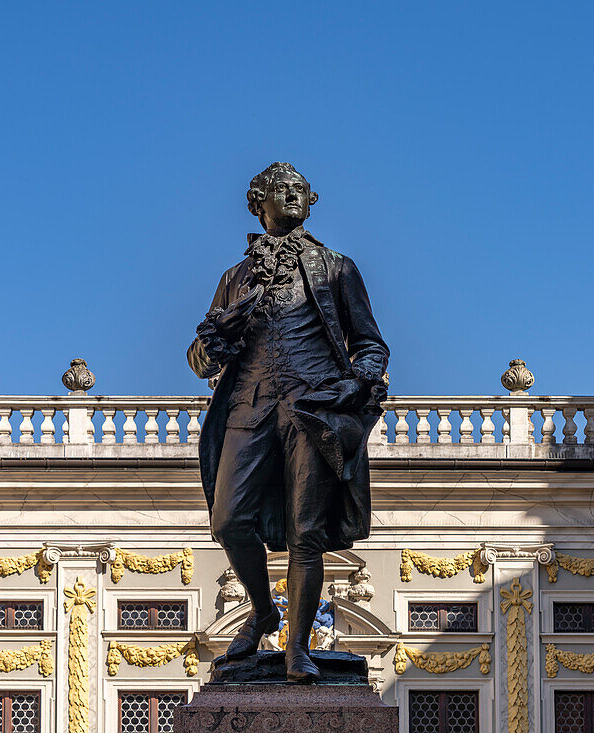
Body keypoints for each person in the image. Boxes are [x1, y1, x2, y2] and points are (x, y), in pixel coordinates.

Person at [187, 162, 388, 682]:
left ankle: (297, 646)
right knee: (228, 520)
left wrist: (355, 383)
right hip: (248, 406)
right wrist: (212, 342)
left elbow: (370, 344)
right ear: (259, 201)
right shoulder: (234, 279)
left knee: (306, 532)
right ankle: (263, 610)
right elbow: (201, 357)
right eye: (281, 190)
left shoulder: (337, 268)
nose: (292, 195)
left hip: (312, 406)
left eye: (300, 189)